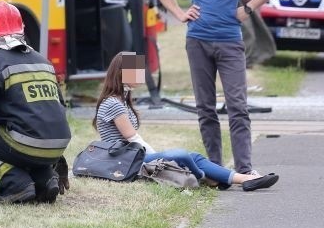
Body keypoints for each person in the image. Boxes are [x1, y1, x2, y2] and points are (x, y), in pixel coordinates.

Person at [157, 0, 283, 175]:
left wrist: (247, 9)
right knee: (205, 108)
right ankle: (215, 171)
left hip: (229, 41)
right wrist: (181, 14)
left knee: (238, 106)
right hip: (197, 41)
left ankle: (245, 170)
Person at [93, 52, 280, 191]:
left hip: (131, 157)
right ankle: (206, 178)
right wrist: (157, 156)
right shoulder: (113, 103)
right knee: (182, 155)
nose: (141, 73)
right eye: (135, 70)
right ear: (121, 73)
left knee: (193, 156)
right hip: (125, 161)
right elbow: (132, 138)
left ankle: (242, 179)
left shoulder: (121, 99)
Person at [0, 0, 71, 204]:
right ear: (21, 28)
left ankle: (15, 183)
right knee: (18, 141)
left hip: (26, 144)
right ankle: (45, 179)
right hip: (59, 145)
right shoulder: (44, 62)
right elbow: (60, 107)